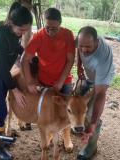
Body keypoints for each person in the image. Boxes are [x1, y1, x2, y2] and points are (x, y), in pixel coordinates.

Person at [0, 2, 33, 160]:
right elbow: (2, 67)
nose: (22, 33)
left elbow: (16, 48)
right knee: (2, 110)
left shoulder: (14, 33)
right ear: (11, 23)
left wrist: (29, 56)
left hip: (1, 74)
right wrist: (15, 90)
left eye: (26, 30)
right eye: (21, 30)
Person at [20, 7, 75, 149]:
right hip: (44, 81)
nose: (50, 32)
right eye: (47, 28)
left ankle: (67, 137)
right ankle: (50, 135)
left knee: (66, 110)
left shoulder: (68, 35)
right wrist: (30, 81)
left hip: (64, 81)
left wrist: (60, 81)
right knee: (49, 112)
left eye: (54, 28)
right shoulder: (38, 36)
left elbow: (70, 60)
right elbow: (24, 60)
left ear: (60, 24)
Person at [76, 26, 115, 160]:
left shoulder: (103, 57)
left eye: (88, 47)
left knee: (91, 113)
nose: (84, 50)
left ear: (96, 42)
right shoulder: (81, 43)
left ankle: (91, 147)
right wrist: (79, 66)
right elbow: (79, 49)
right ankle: (81, 126)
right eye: (81, 46)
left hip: (101, 79)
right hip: (88, 75)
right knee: (77, 102)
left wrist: (92, 122)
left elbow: (100, 94)